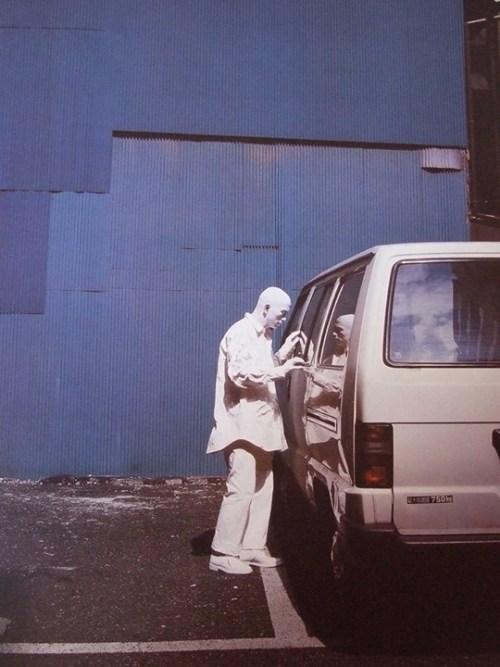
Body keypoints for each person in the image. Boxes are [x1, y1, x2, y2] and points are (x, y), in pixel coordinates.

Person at [206, 287, 306, 574]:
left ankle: (251, 548)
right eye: (281, 314)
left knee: (263, 486)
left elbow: (257, 368)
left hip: (260, 427)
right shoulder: (240, 332)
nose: (282, 320)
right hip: (241, 426)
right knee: (241, 487)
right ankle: (222, 553)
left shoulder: (262, 337)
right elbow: (240, 375)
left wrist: (279, 357)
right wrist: (280, 370)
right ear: (266, 308)